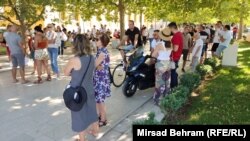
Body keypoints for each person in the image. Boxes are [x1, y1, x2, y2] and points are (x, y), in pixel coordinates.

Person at [64, 34, 99, 141]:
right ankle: (95, 131)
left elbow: (66, 73)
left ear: (75, 45)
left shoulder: (74, 60)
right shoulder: (91, 57)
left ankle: (82, 139)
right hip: (89, 88)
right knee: (92, 110)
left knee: (79, 114)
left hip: (77, 91)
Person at [93, 33, 111, 127]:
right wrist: (97, 66)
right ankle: (100, 115)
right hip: (99, 77)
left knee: (100, 100)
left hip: (101, 79)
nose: (95, 41)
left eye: (97, 39)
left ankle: (103, 119)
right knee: (98, 99)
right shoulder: (100, 50)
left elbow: (94, 65)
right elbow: (96, 65)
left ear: (102, 42)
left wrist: (97, 66)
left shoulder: (102, 52)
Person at [151, 27, 172, 105]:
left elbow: (153, 55)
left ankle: (158, 100)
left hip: (161, 64)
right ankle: (166, 97)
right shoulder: (171, 44)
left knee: (159, 82)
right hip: (168, 64)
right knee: (167, 82)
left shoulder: (160, 44)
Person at [168, 22, 183, 89]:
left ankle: (173, 87)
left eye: (169, 29)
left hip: (174, 57)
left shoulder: (176, 36)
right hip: (176, 56)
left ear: (172, 28)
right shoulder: (179, 34)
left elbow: (175, 49)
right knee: (174, 72)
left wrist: (169, 47)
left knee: (173, 73)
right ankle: (175, 86)